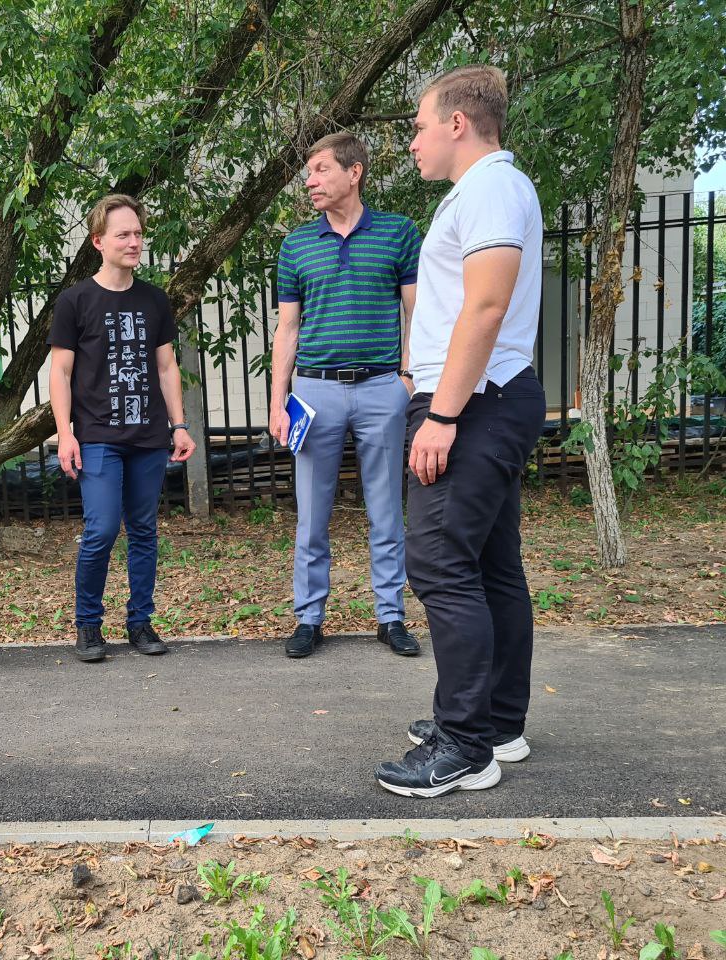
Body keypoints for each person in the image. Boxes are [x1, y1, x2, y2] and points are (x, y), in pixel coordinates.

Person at [374, 65, 546, 798]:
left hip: (474, 404)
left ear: (456, 123)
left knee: (441, 566)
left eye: (417, 125)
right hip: (486, 398)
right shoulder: (480, 194)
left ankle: (466, 745)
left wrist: (441, 413)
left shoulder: (491, 188)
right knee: (490, 567)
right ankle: (497, 723)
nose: (412, 141)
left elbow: (486, 307)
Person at [269, 132, 423, 661]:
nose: (310, 180)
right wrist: (277, 402)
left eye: (319, 169)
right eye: (308, 172)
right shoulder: (297, 244)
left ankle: (391, 617)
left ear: (353, 173)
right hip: (314, 392)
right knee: (312, 513)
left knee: (387, 509)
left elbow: (417, 312)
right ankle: (309, 618)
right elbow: (287, 329)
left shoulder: (399, 233)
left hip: (383, 388)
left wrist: (408, 378)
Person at [48, 194, 196, 663]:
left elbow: (168, 367)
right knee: (101, 529)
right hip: (97, 437)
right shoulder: (75, 301)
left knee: (145, 530)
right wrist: (65, 433)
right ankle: (88, 625)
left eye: (137, 233)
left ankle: (140, 621)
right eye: (123, 235)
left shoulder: (154, 299)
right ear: (98, 241)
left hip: (149, 436)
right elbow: (61, 373)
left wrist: (180, 425)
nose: (134, 242)